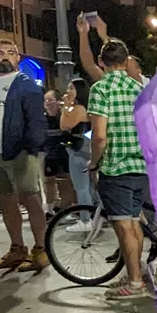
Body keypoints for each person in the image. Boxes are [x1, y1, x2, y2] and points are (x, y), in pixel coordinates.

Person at [0, 39, 50, 271]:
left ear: (18, 59)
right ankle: (17, 249)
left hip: (20, 154)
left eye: (10, 53)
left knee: (31, 199)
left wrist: (29, 149)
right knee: (6, 202)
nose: (5, 57)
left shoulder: (26, 85)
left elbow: (36, 122)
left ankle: (41, 249)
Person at [87, 39, 152, 298]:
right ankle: (133, 274)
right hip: (141, 166)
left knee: (123, 226)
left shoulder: (100, 89)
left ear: (102, 62)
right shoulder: (139, 89)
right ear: (126, 62)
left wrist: (94, 162)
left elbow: (99, 136)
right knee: (134, 223)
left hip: (116, 167)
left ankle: (135, 281)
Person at [60, 77, 94, 228]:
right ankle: (95, 213)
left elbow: (64, 125)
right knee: (88, 186)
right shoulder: (84, 107)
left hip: (78, 149)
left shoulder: (78, 109)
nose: (68, 92)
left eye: (72, 88)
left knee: (81, 186)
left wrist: (65, 108)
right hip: (83, 147)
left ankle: (86, 219)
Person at [42, 88, 75, 215]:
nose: (48, 103)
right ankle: (50, 211)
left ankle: (66, 209)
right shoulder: (42, 119)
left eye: (50, 100)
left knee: (65, 182)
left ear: (58, 101)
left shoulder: (64, 116)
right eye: (45, 100)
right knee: (49, 181)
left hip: (64, 153)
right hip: (48, 154)